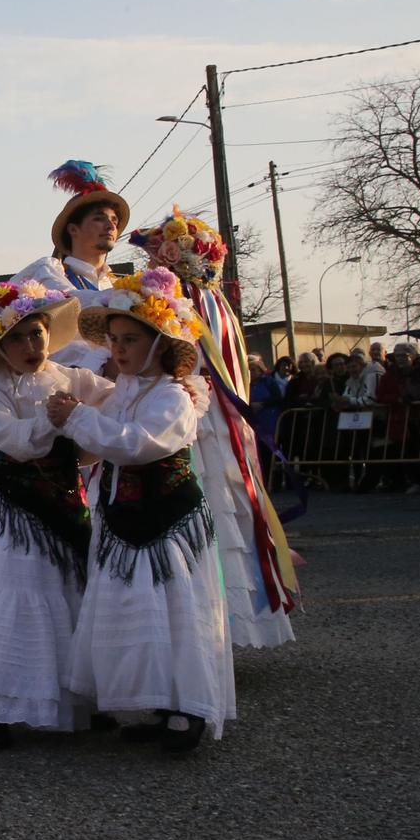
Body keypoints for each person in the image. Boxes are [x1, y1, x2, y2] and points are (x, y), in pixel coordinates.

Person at [54, 270, 233, 753]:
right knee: (136, 611)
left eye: (130, 339)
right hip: (122, 517)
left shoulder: (175, 396)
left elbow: (137, 446)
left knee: (175, 610)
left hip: (168, 520)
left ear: (161, 342)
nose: (119, 350)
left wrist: (76, 418)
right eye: (114, 340)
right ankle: (153, 702)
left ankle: (189, 709)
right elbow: (99, 446)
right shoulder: (124, 392)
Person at [0, 282, 112, 746]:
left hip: (66, 501)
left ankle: (77, 698)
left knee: (71, 590)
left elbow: (114, 399)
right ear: (0, 345)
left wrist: (158, 393)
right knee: (16, 595)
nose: (31, 346)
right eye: (18, 338)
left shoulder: (68, 375)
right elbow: (9, 440)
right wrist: (51, 421)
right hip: (16, 511)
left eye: (37, 334)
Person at [129, 211, 300, 648]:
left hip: (199, 419)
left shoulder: (185, 307)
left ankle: (208, 631)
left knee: (210, 504)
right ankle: (211, 630)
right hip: (203, 417)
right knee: (215, 504)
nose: (153, 263)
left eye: (158, 255)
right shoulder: (208, 305)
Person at [14, 162, 133, 372]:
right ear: (73, 230)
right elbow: (73, 302)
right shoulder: (47, 272)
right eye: (99, 219)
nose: (111, 226)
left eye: (114, 220)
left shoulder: (114, 282)